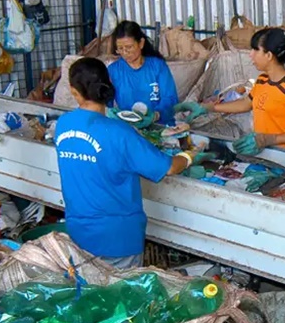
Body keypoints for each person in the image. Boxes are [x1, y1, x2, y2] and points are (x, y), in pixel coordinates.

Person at [55, 58, 209, 269]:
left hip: (79, 233)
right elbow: (169, 167)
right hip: (118, 238)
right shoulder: (120, 133)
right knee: (120, 297)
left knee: (90, 294)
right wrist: (190, 154)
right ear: (108, 84)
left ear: (73, 91)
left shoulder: (63, 125)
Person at [196, 27, 285, 154]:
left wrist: (268, 139)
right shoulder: (262, 80)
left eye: (255, 50)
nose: (250, 54)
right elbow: (246, 103)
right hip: (264, 153)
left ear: (269, 55)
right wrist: (209, 108)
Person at [107, 21, 180, 126]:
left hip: (160, 127)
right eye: (120, 49)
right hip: (130, 128)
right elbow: (105, 102)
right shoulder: (113, 71)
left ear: (141, 43)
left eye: (129, 47)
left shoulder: (157, 66)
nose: (125, 53)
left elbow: (170, 98)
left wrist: (156, 115)